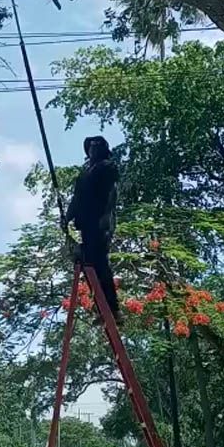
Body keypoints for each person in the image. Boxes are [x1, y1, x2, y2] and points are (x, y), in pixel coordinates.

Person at [66, 135, 122, 324]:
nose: (93, 147)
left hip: (101, 223)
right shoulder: (84, 174)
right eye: (91, 145)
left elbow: (110, 194)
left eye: (97, 144)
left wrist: (105, 218)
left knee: (100, 263)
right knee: (88, 264)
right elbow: (77, 198)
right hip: (86, 224)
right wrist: (67, 217)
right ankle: (102, 308)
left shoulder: (107, 167)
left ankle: (113, 309)